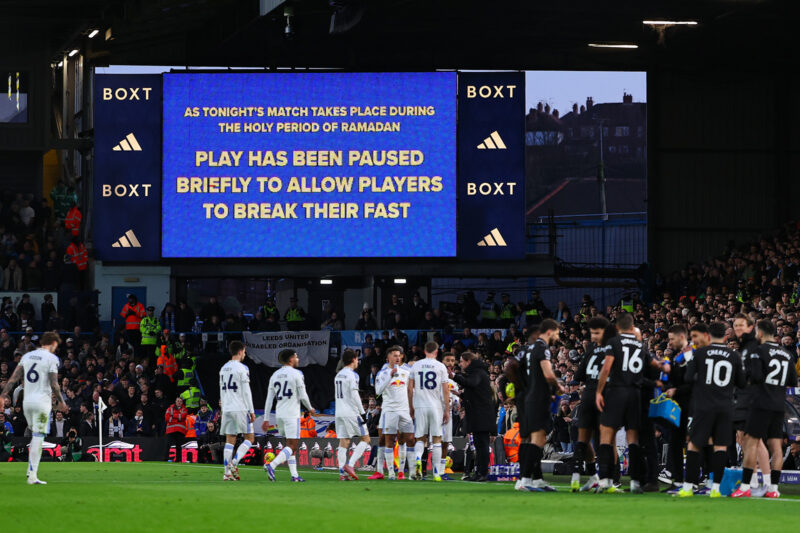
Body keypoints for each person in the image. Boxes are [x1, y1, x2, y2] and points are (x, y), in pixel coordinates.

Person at [676, 322, 745, 498]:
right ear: (726, 336)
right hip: (725, 406)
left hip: (704, 405)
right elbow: (742, 384)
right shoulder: (734, 355)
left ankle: (688, 487)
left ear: (708, 335)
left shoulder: (700, 353)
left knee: (694, 444)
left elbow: (688, 378)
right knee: (720, 446)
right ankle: (715, 489)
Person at [732, 319, 798, 498]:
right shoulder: (786, 354)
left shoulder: (758, 351)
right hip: (779, 404)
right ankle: (773, 490)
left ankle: (746, 486)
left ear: (759, 333)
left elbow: (756, 376)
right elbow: (792, 381)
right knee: (776, 446)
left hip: (760, 402)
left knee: (750, 443)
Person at [595, 313, 659, 493]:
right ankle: (635, 482)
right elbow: (655, 366)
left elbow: (606, 368)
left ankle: (606, 481)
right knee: (633, 439)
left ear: (617, 328)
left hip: (617, 392)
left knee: (607, 436)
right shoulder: (641, 346)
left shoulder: (614, 343)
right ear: (632, 328)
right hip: (636, 395)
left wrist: (599, 392)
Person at [1, 331, 66, 484]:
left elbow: (14, 378)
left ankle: (30, 470)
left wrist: (3, 395)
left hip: (27, 403)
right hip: (41, 403)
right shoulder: (51, 358)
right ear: (53, 344)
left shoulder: (27, 356)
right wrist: (61, 401)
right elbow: (54, 383)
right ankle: (32, 475)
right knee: (38, 436)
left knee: (34, 433)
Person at [515, 319, 564, 492]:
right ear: (549, 332)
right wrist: (559, 387)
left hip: (531, 397)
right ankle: (525, 480)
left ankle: (534, 480)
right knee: (538, 439)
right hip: (539, 398)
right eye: (557, 333)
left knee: (533, 439)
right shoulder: (542, 348)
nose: (558, 337)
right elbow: (549, 374)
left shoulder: (530, 349)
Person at [731, 313, 772, 496]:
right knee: (745, 439)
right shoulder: (744, 347)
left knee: (755, 441)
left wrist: (744, 382)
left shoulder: (753, 346)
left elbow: (757, 375)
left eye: (741, 325)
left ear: (750, 327)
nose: (738, 328)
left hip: (753, 399)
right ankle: (754, 482)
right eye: (735, 325)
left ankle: (766, 484)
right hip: (744, 398)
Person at [570, 317, 610, 492]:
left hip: (587, 395)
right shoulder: (613, 347)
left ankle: (577, 477)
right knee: (605, 440)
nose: (592, 336)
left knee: (583, 438)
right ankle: (605, 480)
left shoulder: (591, 349)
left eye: (595, 333)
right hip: (604, 395)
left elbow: (578, 375)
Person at [263, 349, 315, 482]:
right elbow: (303, 395)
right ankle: (272, 465)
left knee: (289, 444)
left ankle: (295, 475)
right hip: (292, 414)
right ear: (291, 359)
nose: (298, 359)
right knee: (293, 445)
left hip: (279, 414)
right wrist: (310, 408)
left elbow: (269, 399)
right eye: (296, 357)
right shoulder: (296, 374)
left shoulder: (274, 375)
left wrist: (266, 418)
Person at [408, 341, 450, 482]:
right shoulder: (441, 366)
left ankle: (418, 458)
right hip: (436, 406)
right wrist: (447, 410)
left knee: (420, 438)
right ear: (437, 352)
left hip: (420, 405)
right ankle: (437, 473)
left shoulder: (416, 365)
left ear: (424, 351)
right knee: (437, 439)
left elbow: (409, 389)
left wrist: (411, 407)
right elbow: (445, 390)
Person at [452, 351, 494, 482]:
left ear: (468, 361)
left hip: (482, 415)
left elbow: (471, 383)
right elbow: (476, 395)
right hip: (478, 414)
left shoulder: (478, 373)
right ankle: (478, 473)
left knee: (482, 445)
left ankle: (483, 474)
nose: (460, 364)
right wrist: (461, 395)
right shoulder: (478, 372)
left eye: (461, 361)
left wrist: (454, 376)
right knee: (478, 445)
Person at [374, 345, 415, 480]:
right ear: (388, 358)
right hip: (389, 411)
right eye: (394, 355)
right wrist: (389, 376)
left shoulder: (407, 372)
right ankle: (391, 473)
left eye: (399, 355)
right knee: (389, 441)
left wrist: (412, 408)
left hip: (404, 411)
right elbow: (378, 391)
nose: (397, 358)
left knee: (408, 439)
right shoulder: (382, 373)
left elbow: (410, 391)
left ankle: (402, 472)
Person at [219, 340, 256, 481]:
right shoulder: (243, 368)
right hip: (240, 407)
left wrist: (222, 408)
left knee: (230, 440)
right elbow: (246, 391)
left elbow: (221, 389)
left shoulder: (223, 368)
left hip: (227, 407)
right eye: (245, 352)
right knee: (249, 438)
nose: (245, 355)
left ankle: (226, 473)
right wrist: (251, 411)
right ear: (240, 352)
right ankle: (234, 463)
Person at [333, 349, 371, 481]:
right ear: (354, 359)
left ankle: (342, 474)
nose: (358, 361)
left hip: (339, 412)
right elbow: (355, 395)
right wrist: (362, 412)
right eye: (357, 359)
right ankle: (350, 465)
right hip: (351, 412)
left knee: (344, 441)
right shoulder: (353, 375)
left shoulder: (338, 375)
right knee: (366, 439)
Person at [164, 396, 188, 462]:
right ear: (175, 401)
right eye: (178, 401)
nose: (179, 402)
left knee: (178, 446)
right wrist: (177, 419)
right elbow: (167, 418)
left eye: (180, 401)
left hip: (180, 430)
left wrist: (173, 416)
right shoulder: (170, 408)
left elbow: (182, 417)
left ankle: (178, 460)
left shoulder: (185, 409)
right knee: (168, 445)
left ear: (182, 402)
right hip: (170, 430)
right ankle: (165, 459)